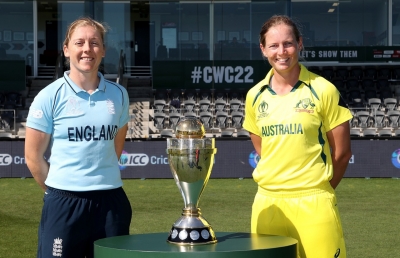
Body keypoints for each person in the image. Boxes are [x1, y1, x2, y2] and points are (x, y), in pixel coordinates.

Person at [243, 15, 352, 258]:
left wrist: (320, 190)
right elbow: (264, 150)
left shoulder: (323, 89)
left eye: (288, 43)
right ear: (263, 49)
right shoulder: (254, 96)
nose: (281, 52)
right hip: (267, 204)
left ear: (299, 44)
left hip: (314, 204)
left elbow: (342, 153)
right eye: (273, 45)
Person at [25, 17, 132, 258]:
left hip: (111, 203)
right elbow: (33, 157)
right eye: (79, 42)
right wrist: (59, 190)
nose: (87, 49)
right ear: (66, 49)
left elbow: (115, 147)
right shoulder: (49, 96)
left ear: (103, 50)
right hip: (64, 203)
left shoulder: (119, 95)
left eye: (94, 43)